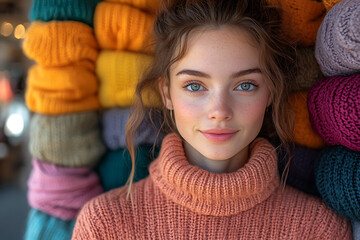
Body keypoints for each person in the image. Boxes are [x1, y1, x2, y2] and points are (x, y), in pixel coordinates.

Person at [72, 0, 352, 239]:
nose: (219, 110)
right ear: (166, 93)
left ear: (271, 92)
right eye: (195, 86)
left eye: (245, 85)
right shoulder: (105, 225)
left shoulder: (318, 230)